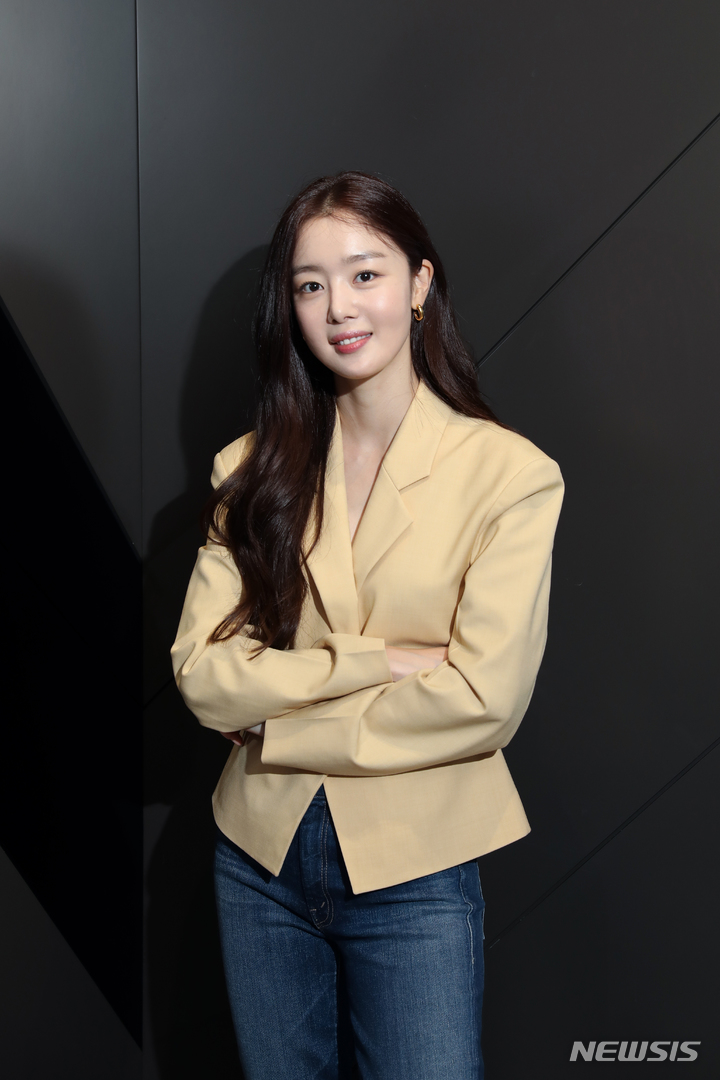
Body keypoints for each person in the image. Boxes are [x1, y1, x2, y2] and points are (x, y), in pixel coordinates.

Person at [171, 171, 564, 1080]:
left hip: (413, 867)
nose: (339, 307)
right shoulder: (251, 468)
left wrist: (277, 724)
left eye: (364, 274)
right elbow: (202, 674)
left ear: (419, 283)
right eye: (310, 284)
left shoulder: (509, 475)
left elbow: (483, 702)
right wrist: (376, 661)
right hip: (257, 856)